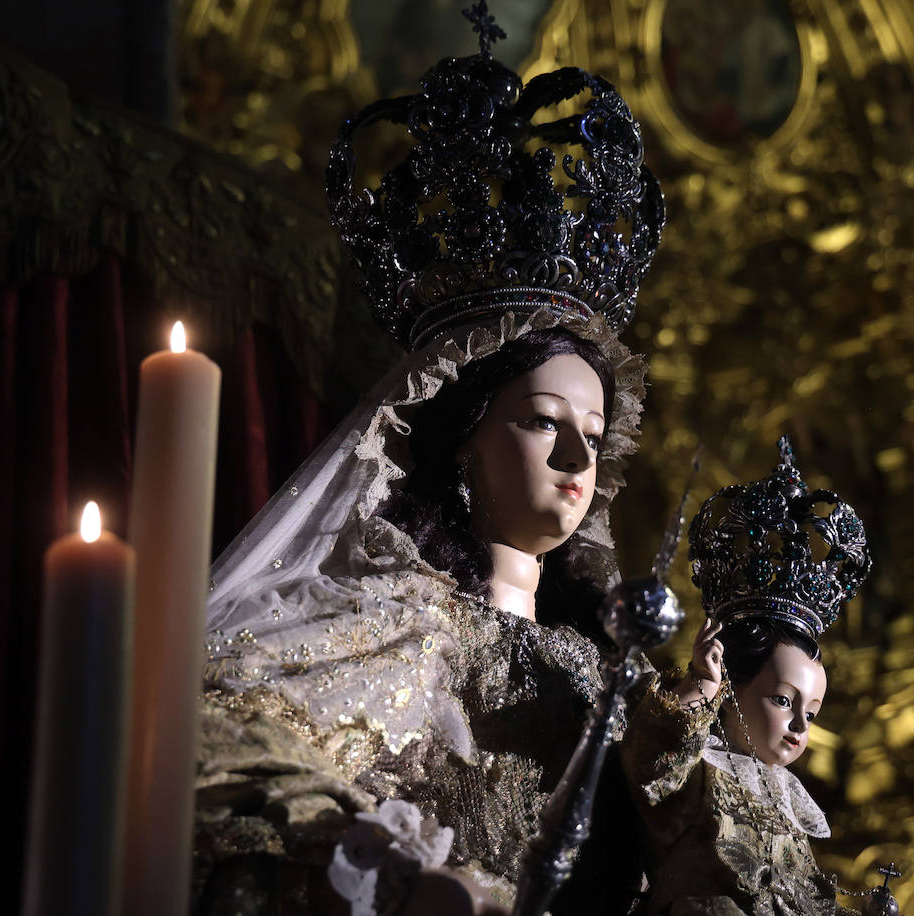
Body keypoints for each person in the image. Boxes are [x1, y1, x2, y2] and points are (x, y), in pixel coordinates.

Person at [191, 5, 666, 913]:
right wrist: (406, 880)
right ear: (462, 445)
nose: (577, 455)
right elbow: (222, 747)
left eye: (597, 437)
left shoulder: (618, 678)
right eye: (541, 422)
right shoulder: (405, 627)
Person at [622, 437, 875, 915]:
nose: (801, 727)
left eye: (812, 712)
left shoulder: (787, 801)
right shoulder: (698, 770)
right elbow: (650, 763)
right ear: (732, 687)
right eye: (783, 701)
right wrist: (700, 684)